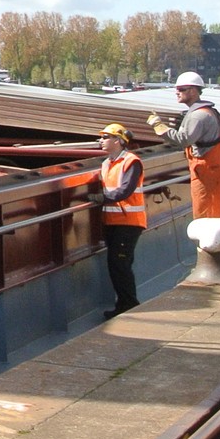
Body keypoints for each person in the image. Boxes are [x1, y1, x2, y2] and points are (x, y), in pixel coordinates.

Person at [148, 70, 220, 219]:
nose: (177, 92)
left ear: (193, 91)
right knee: (219, 211)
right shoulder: (208, 111)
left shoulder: (197, 116)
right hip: (215, 168)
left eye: (181, 89)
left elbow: (184, 139)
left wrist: (160, 127)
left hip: (207, 171)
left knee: (207, 212)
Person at [90, 122, 146, 318]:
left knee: (120, 265)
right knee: (116, 265)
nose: (101, 140)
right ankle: (124, 303)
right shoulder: (107, 163)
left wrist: (102, 198)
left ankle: (129, 304)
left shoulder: (131, 161)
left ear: (119, 141)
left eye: (106, 137)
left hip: (128, 221)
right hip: (112, 221)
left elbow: (125, 190)